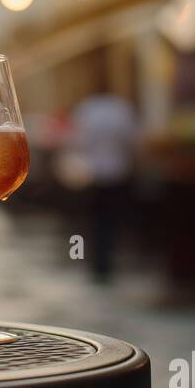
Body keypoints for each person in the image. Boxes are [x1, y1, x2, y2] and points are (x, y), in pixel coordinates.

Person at [65, 92, 139, 283]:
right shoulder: (121, 109)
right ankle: (107, 260)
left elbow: (77, 141)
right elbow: (131, 140)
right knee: (111, 220)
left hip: (92, 174)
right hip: (117, 173)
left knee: (95, 221)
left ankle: (97, 261)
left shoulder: (86, 108)